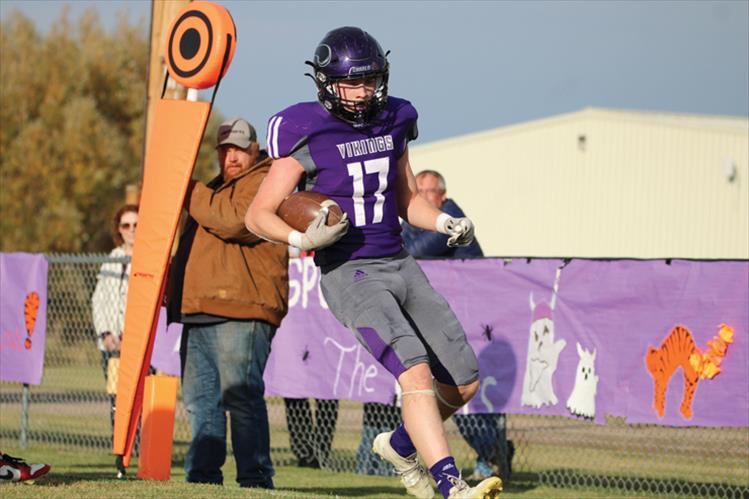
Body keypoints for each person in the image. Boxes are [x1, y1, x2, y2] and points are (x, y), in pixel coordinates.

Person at [246, 26, 502, 499]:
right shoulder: (305, 128)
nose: (363, 92)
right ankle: (450, 485)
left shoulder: (395, 118)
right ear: (326, 82)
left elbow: (406, 199)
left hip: (400, 261)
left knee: (463, 382)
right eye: (352, 82)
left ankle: (402, 447)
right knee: (415, 371)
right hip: (350, 272)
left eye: (370, 81)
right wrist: (302, 235)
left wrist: (444, 223)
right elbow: (257, 212)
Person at [167, 118, 289, 489]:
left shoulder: (267, 181)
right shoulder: (219, 188)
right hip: (200, 309)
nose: (231, 155)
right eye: (224, 149)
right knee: (200, 401)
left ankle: (255, 480)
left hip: (242, 307)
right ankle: (203, 480)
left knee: (240, 397)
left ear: (255, 149)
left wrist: (188, 190)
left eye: (238, 147)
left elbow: (236, 221)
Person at [403, 170, 511, 482]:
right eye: (417, 190)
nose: (423, 197)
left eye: (429, 191)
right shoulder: (416, 219)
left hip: (472, 320)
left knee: (468, 392)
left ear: (443, 195)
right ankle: (490, 453)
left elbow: (417, 250)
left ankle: (491, 453)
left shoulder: (451, 216)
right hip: (442, 320)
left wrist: (407, 232)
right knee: (448, 390)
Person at [91, 205, 138, 439]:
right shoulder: (111, 259)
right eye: (126, 225)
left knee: (138, 395)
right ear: (119, 229)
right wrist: (106, 334)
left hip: (139, 343)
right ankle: (119, 441)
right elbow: (99, 301)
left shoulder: (149, 259)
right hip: (112, 343)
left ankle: (140, 444)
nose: (131, 230)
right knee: (116, 397)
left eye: (136, 225)